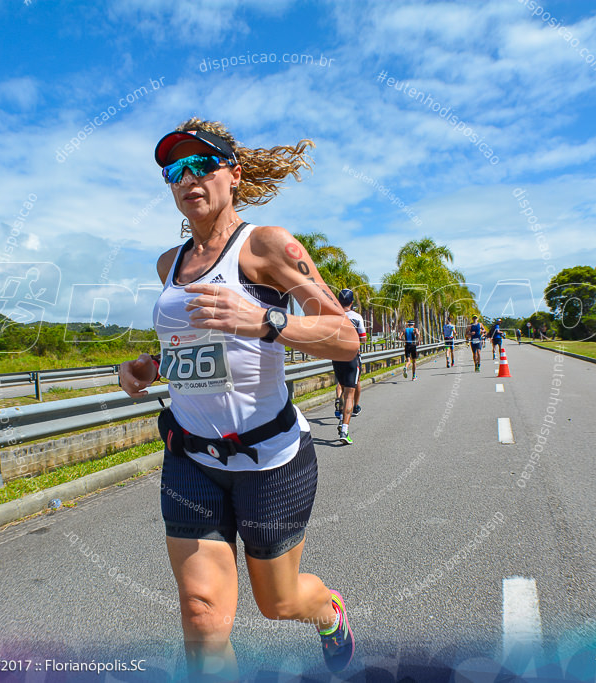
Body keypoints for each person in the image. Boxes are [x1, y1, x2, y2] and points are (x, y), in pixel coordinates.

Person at [118, 119, 358, 678]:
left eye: (203, 164)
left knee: (278, 604)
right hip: (191, 457)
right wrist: (148, 367)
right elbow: (190, 346)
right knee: (201, 616)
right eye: (175, 169)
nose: (188, 177)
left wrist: (267, 321)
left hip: (270, 459)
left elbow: (345, 336)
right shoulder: (168, 264)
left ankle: (328, 610)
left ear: (235, 175)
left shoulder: (268, 246)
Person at [331, 289, 366, 444]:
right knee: (350, 394)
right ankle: (344, 430)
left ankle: (339, 406)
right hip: (352, 357)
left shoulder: (333, 316)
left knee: (341, 385)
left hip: (336, 357)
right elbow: (363, 339)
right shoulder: (357, 317)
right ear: (352, 302)